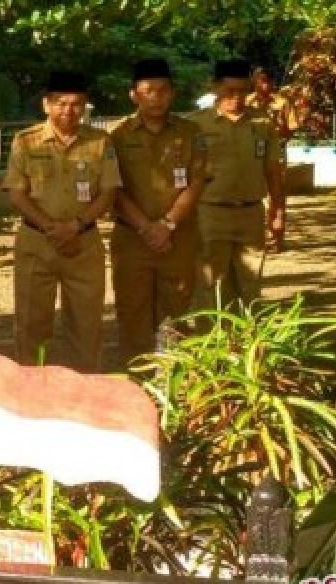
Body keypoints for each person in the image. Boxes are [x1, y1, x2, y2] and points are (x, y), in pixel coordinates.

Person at [3, 70, 121, 372]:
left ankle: (83, 398)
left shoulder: (100, 142)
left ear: (85, 107)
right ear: (46, 104)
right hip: (36, 243)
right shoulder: (25, 142)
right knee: (31, 326)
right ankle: (32, 398)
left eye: (76, 104)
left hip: (84, 243)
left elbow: (108, 191)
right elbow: (17, 193)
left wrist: (76, 226)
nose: (68, 111)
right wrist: (49, 227)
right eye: (61, 103)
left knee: (86, 326)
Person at [109, 58, 208, 363]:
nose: (156, 97)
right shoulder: (116, 136)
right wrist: (146, 228)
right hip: (131, 241)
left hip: (179, 239)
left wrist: (167, 225)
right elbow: (113, 189)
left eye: (163, 90)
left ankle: (175, 386)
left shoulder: (191, 133)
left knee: (178, 315)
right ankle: (137, 387)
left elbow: (196, 183)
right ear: (133, 95)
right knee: (133, 314)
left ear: (173, 93)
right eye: (148, 90)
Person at [189, 59, 285, 306]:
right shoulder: (195, 125)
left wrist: (278, 213)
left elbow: (273, 171)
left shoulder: (262, 123)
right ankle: (212, 343)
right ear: (215, 88)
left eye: (243, 90)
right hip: (209, 214)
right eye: (230, 91)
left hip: (250, 214)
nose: (237, 97)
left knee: (250, 287)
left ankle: (247, 344)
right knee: (210, 287)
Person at [247, 66, 299, 142]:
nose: (266, 84)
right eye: (263, 80)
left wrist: (281, 127)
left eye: (268, 80)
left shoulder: (283, 103)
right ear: (254, 81)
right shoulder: (246, 102)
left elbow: (292, 129)